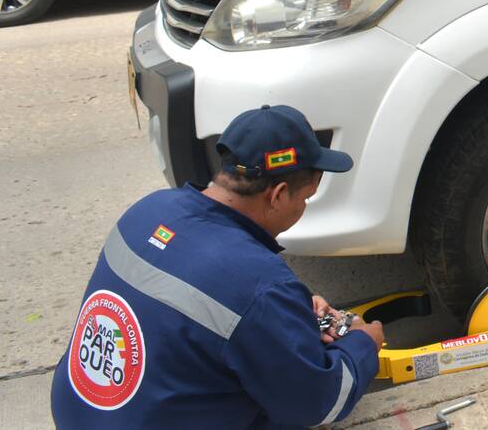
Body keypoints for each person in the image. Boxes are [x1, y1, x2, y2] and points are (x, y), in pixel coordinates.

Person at [50, 105, 385, 428]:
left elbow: (198, 301)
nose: (303, 207)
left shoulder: (148, 210)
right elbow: (320, 403)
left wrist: (287, 315)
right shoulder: (258, 286)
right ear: (278, 194)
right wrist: (362, 343)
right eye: (305, 198)